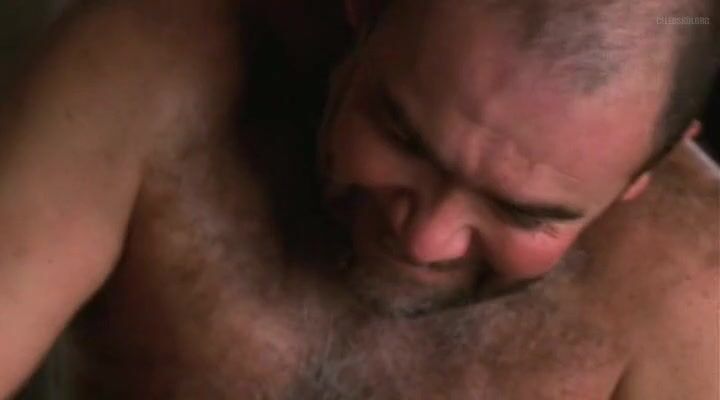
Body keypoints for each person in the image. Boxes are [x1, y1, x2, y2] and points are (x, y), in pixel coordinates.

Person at [1, 0, 718, 398]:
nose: (426, 238)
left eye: (521, 211)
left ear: (641, 175)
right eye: (404, 137)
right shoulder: (154, 63)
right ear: (365, 12)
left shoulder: (693, 292)